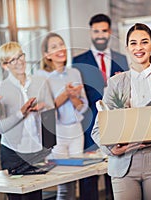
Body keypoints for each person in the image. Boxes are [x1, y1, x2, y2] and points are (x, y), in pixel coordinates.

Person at [91, 23, 151, 200]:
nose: (139, 48)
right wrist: (110, 150)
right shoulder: (116, 82)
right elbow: (98, 129)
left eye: (144, 42)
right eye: (133, 43)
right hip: (124, 162)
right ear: (127, 48)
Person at [72, 13, 129, 200]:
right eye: (96, 31)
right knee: (89, 179)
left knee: (118, 175)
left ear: (110, 32)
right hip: (89, 128)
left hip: (118, 127)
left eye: (104, 31)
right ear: (91, 33)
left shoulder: (122, 59)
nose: (100, 35)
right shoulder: (79, 62)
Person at [0, 41, 54, 200]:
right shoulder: (0, 89)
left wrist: (44, 107)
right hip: (12, 153)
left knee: (35, 197)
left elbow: (51, 113)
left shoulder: (40, 82)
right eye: (13, 59)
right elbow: (0, 128)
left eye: (20, 56)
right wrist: (21, 113)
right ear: (5, 65)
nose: (19, 61)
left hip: (36, 150)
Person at [37, 32, 88, 200]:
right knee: (62, 180)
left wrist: (73, 97)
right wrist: (65, 94)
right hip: (57, 132)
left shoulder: (74, 72)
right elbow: (46, 110)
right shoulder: (42, 76)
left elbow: (83, 107)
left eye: (61, 44)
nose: (60, 49)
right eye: (54, 47)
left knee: (74, 178)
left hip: (76, 131)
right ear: (46, 55)